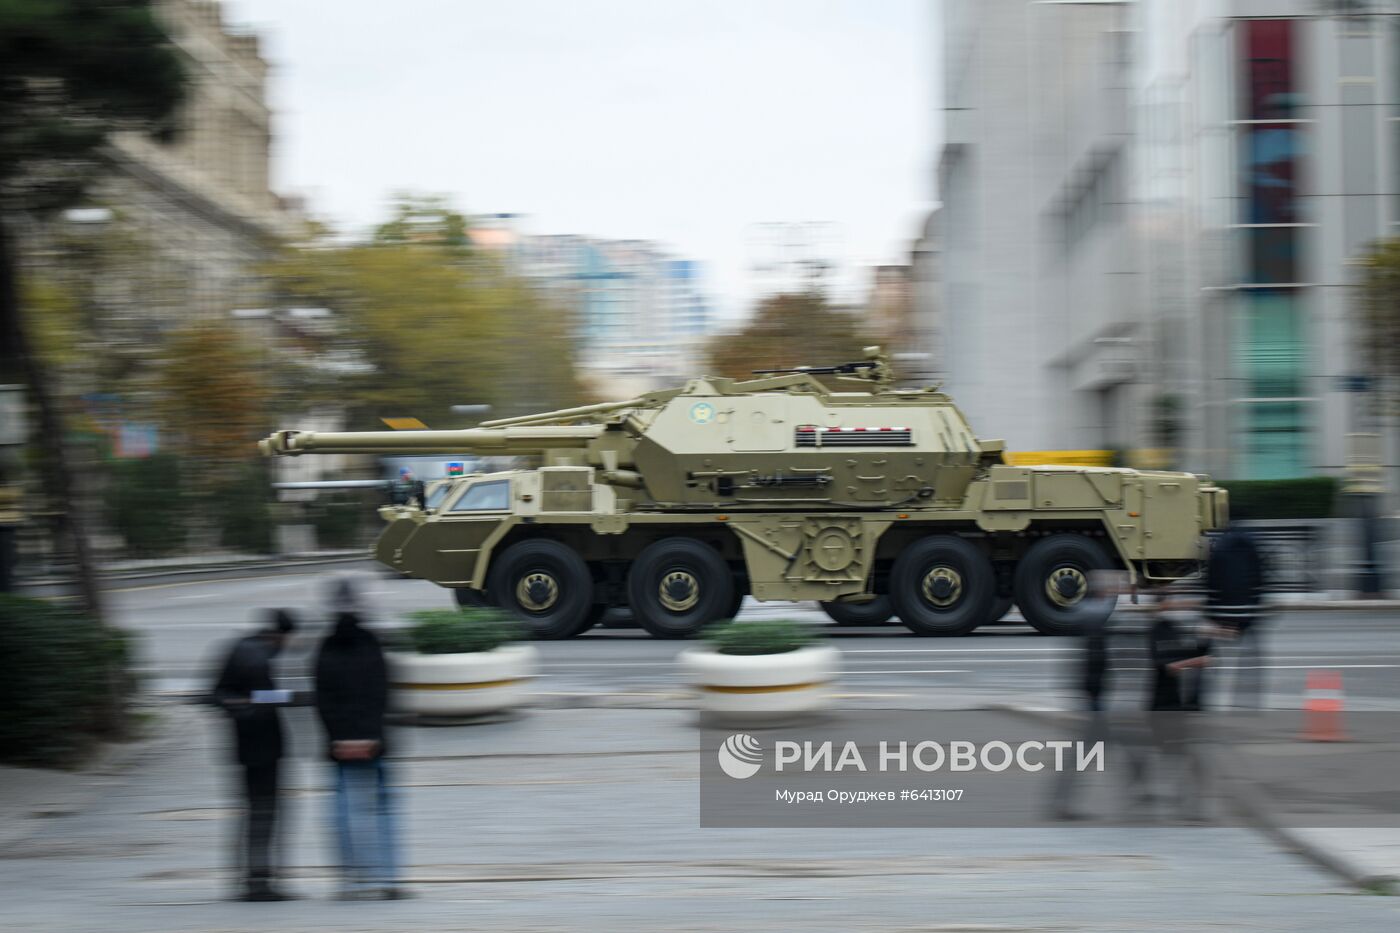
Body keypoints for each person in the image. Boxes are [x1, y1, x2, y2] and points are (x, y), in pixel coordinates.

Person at [313, 606, 404, 899]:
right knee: (383, 810)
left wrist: (338, 739)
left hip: (340, 747)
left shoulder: (325, 649)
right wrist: (372, 737)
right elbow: (382, 693)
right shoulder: (372, 645)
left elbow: (322, 700)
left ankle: (351, 880)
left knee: (343, 812)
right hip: (373, 744)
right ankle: (389, 878)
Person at [210, 609, 298, 901]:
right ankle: (259, 882)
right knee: (264, 813)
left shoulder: (238, 646)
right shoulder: (259, 656)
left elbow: (215, 694)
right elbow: (260, 697)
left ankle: (250, 878)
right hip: (262, 747)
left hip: (245, 747)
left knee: (252, 812)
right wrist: (293, 697)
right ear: (280, 635)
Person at [1205, 523, 1268, 708]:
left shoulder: (1220, 547)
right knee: (1250, 660)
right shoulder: (1252, 546)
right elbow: (1259, 579)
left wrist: (1212, 613)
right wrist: (1256, 607)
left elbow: (1211, 581)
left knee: (1209, 656)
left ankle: (1199, 702)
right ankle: (1246, 704)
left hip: (1222, 613)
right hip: (1247, 612)